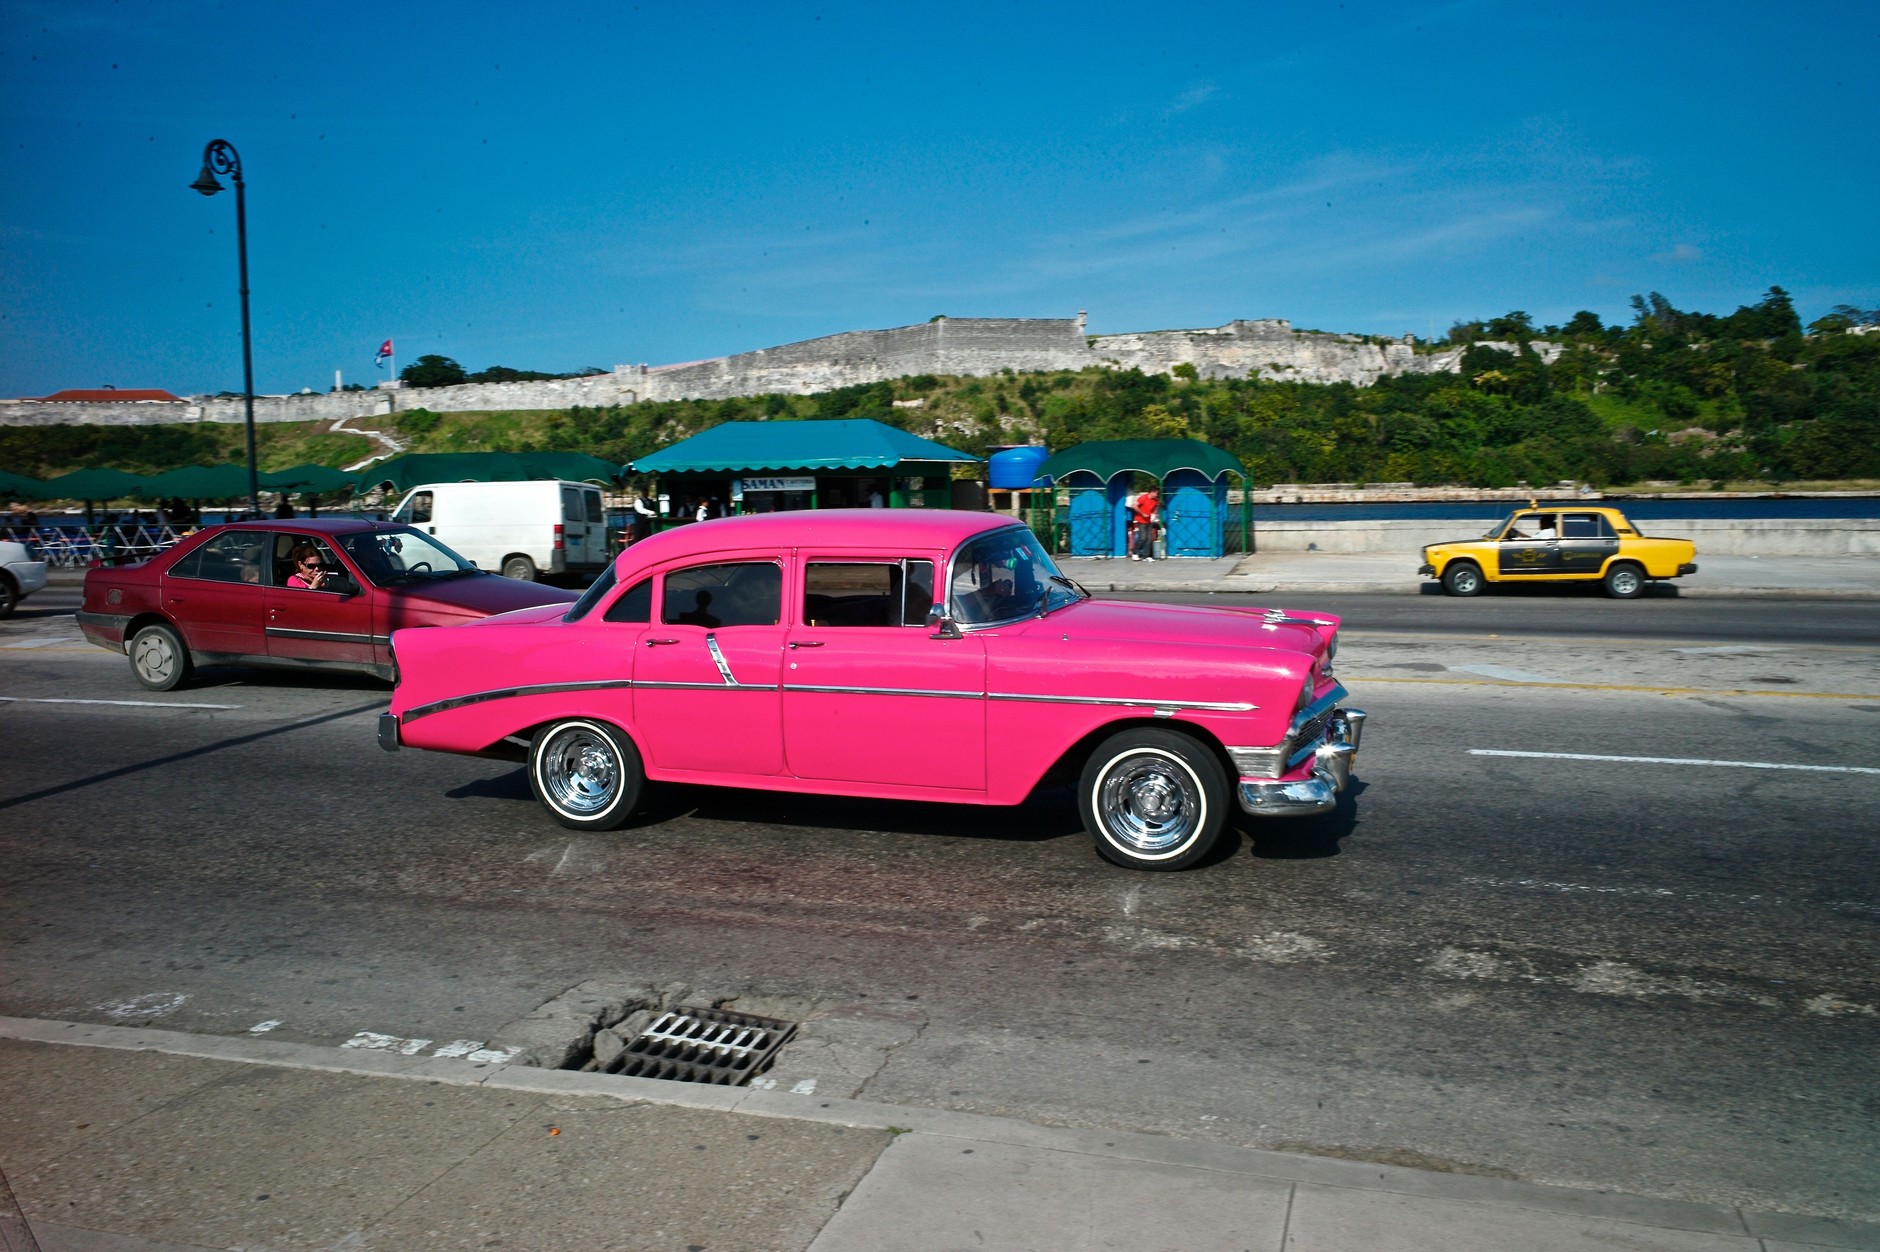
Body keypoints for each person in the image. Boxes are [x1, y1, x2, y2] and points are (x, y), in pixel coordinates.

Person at [1129, 489, 1159, 561]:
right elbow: (1134, 506)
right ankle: (1135, 553)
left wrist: (1154, 514)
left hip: (1149, 520)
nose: (1157, 495)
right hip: (1141, 520)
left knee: (1149, 538)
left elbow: (1156, 507)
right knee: (1142, 537)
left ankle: (1147, 556)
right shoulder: (1143, 498)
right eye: (1156, 493)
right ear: (1151, 492)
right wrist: (1142, 514)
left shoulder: (1155, 500)